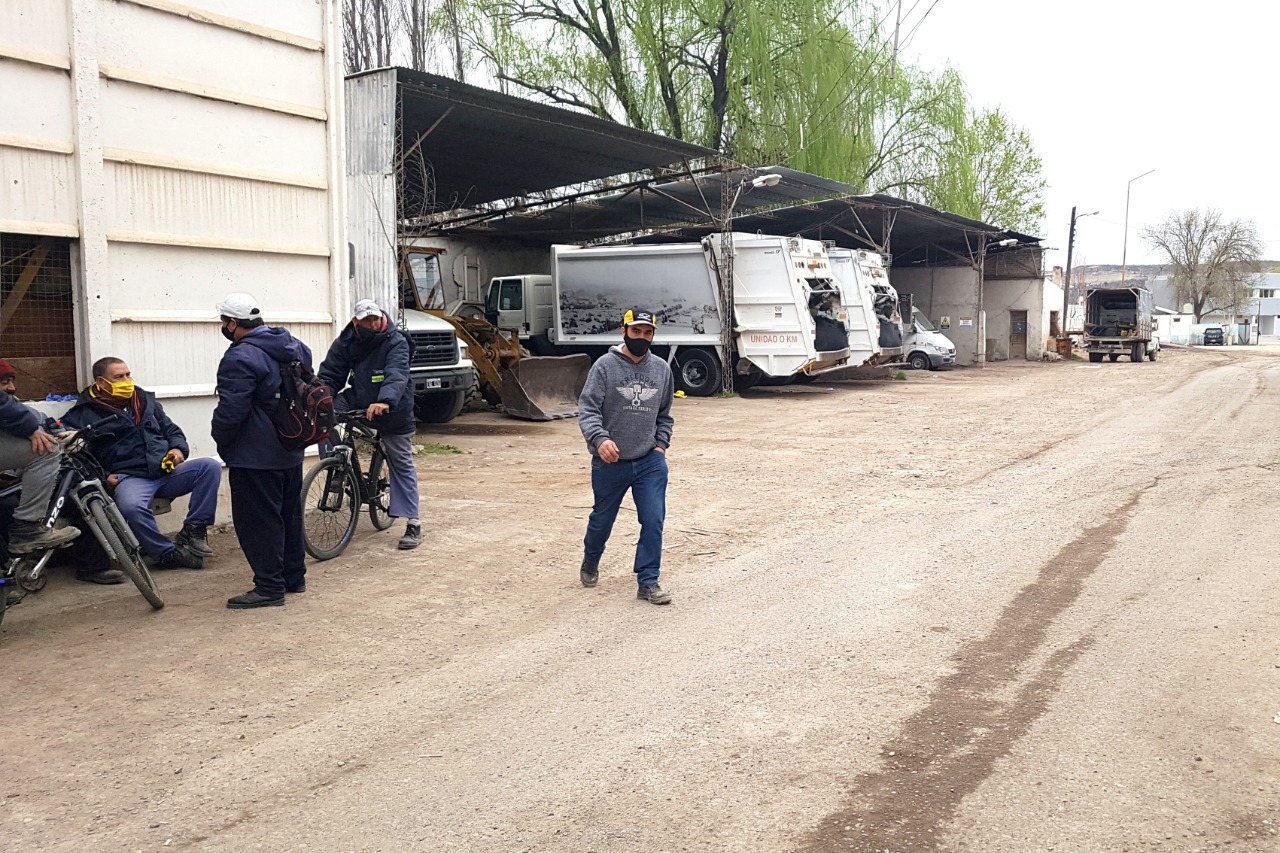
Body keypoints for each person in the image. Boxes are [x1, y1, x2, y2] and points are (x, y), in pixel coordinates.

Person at [61, 358, 220, 570]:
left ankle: (194, 530)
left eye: (128, 374)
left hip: (164, 470)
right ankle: (166, 554)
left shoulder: (144, 402)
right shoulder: (83, 414)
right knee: (131, 507)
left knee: (209, 467)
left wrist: (177, 450)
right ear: (100, 382)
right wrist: (104, 477)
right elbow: (77, 455)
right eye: (119, 377)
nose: (127, 380)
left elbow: (172, 431)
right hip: (130, 477)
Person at [211, 293, 312, 609]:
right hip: (290, 445)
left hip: (255, 454)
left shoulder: (240, 357)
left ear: (233, 323)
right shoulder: (293, 345)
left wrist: (221, 438)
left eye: (223, 322)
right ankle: (293, 577)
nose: (223, 327)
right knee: (288, 514)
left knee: (258, 521)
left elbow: (232, 410)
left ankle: (269, 587)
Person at [576, 309, 675, 605]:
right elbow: (588, 408)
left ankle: (648, 581)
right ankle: (591, 559)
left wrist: (660, 445)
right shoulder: (604, 367)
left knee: (653, 519)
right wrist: (600, 439)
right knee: (602, 520)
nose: (642, 337)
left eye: (648, 333)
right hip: (610, 462)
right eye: (636, 331)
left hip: (649, 461)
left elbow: (665, 415)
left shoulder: (662, 370)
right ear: (624, 331)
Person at [318, 298, 422, 549]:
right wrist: (319, 398)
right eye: (367, 320)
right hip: (360, 398)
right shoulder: (347, 341)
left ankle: (413, 523)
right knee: (323, 417)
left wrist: (385, 401)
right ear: (356, 322)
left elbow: (397, 373)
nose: (373, 324)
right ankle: (338, 467)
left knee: (400, 461)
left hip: (393, 406)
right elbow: (331, 374)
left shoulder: (396, 341)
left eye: (375, 319)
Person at [0, 364, 81, 557]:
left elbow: (48, 422)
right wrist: (29, 428)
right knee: (47, 451)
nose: (11, 388)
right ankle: (26, 529)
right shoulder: (12, 408)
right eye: (4, 382)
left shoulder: (19, 407)